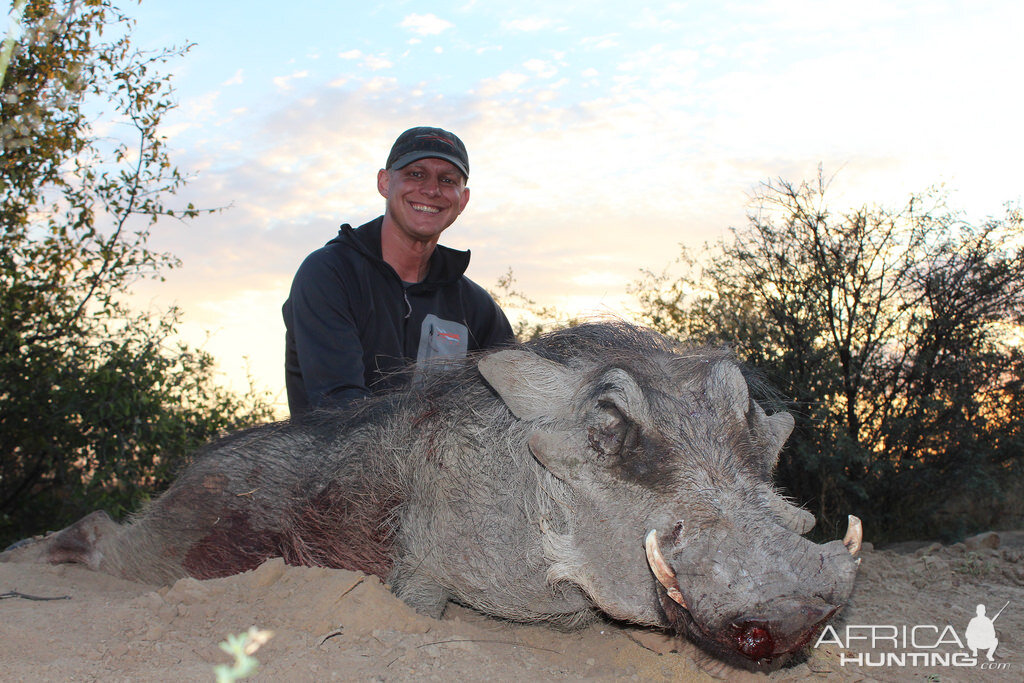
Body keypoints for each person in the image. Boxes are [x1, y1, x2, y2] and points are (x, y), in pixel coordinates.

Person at [283, 126, 515, 419]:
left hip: (443, 464)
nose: (432, 190)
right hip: (331, 462)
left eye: (447, 180)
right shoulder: (329, 274)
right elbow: (340, 411)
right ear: (384, 182)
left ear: (463, 200)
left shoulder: (477, 308)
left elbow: (512, 408)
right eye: (416, 174)